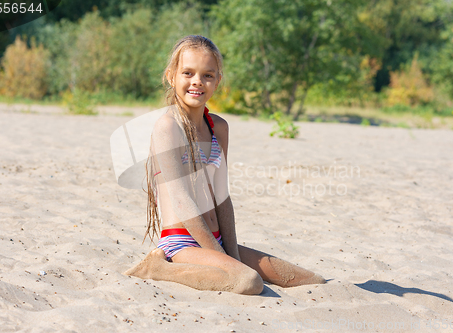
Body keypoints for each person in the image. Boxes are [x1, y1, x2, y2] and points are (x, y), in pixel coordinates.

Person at [124, 35, 325, 295]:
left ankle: (227, 261)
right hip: (183, 242)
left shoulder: (218, 127)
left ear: (218, 80)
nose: (197, 81)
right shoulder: (168, 127)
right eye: (188, 72)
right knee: (248, 282)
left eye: (208, 75)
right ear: (171, 76)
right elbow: (182, 201)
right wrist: (222, 257)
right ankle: (157, 268)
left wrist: (231, 253)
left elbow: (222, 197)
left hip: (217, 239)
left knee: (311, 281)